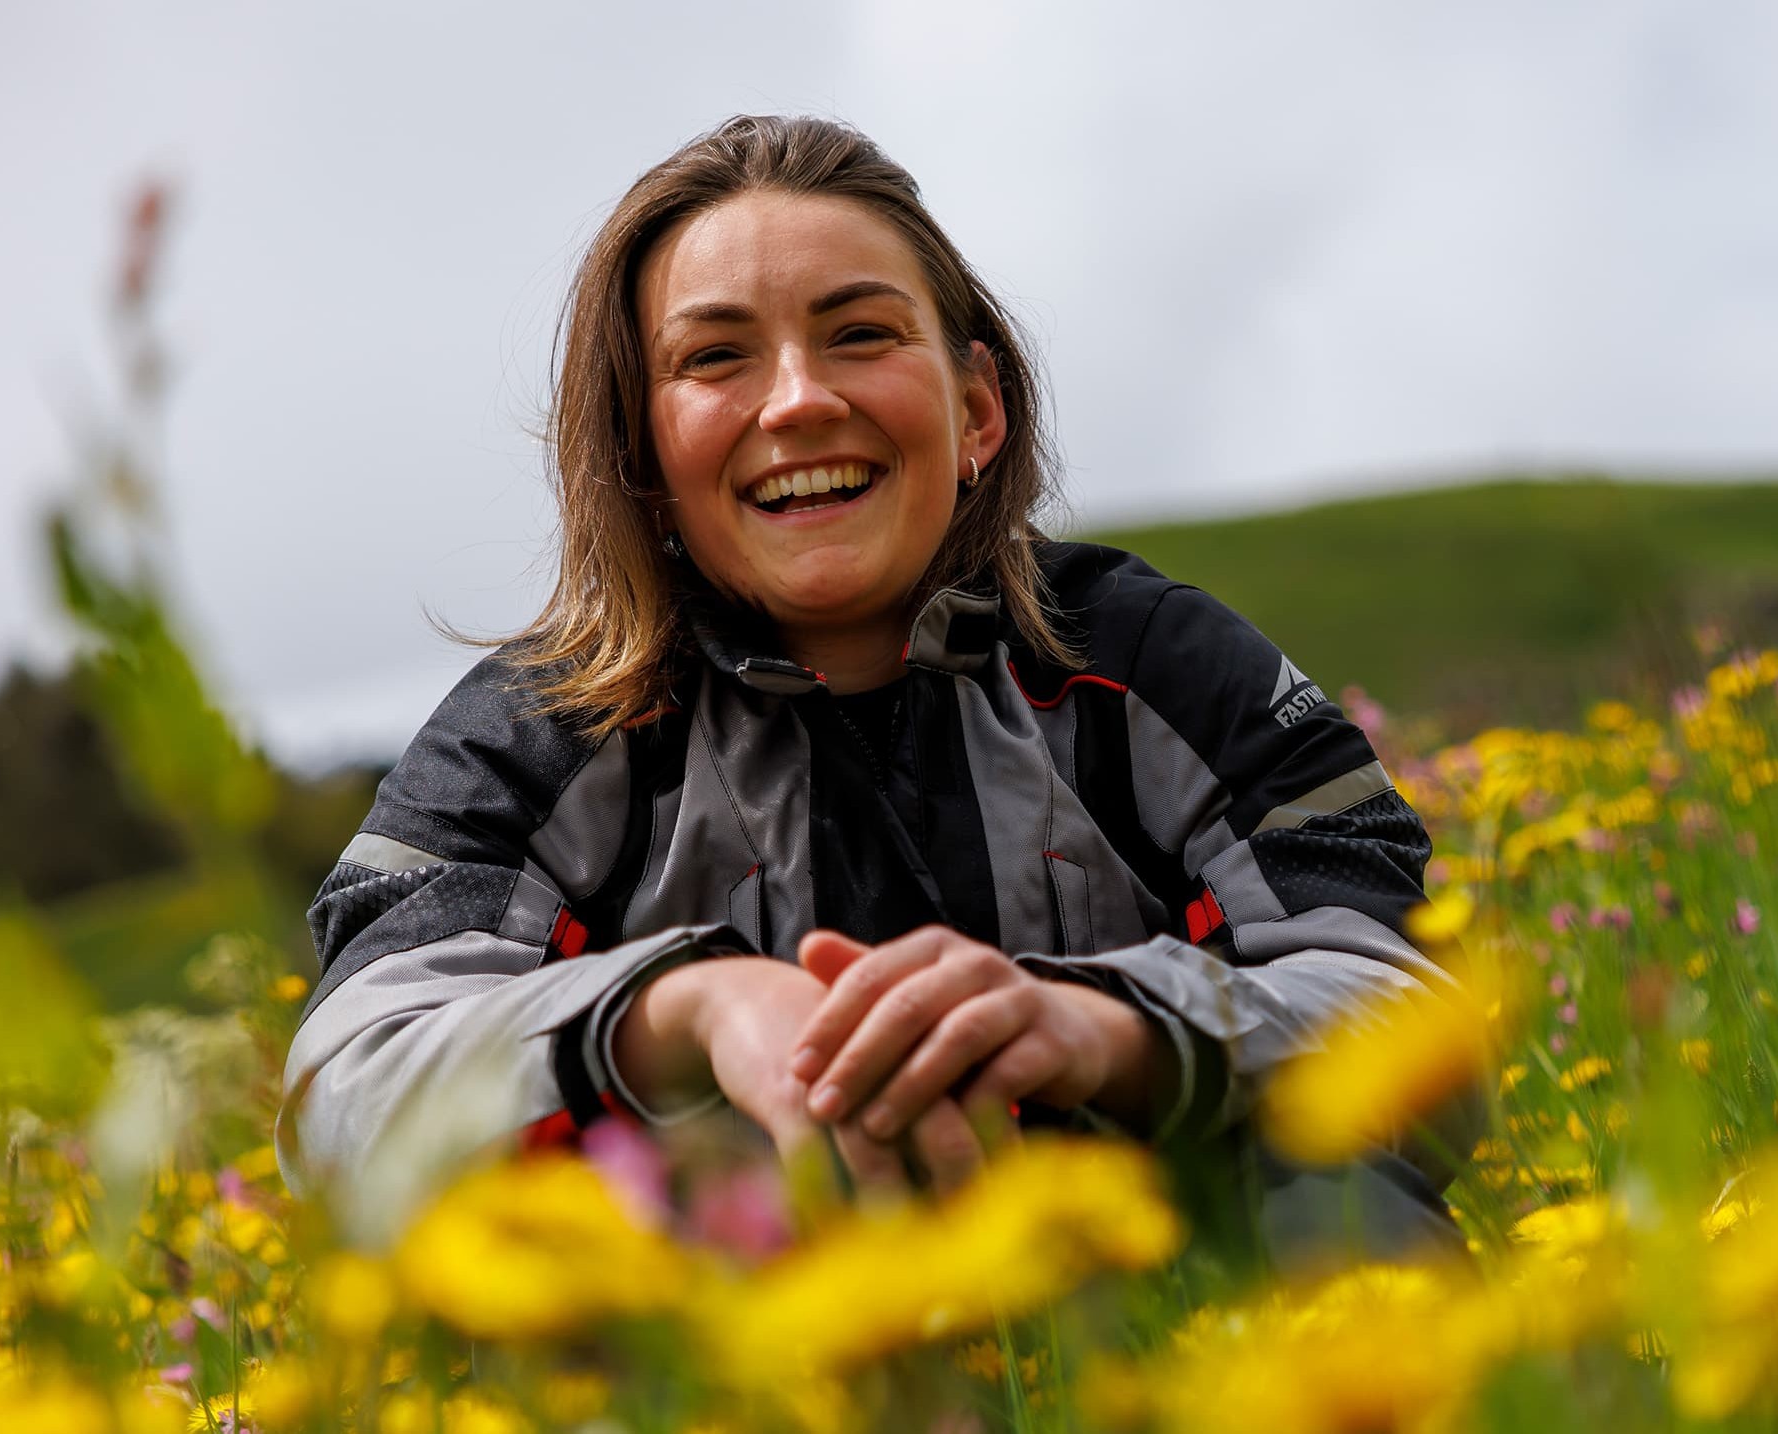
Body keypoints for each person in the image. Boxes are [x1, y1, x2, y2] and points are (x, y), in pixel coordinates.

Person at [280, 114, 1457, 1256]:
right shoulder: (530, 735)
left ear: (977, 409)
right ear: (641, 452)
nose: (797, 400)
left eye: (859, 334)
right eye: (715, 357)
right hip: (746, 1362)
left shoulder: (1158, 664)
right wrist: (687, 1012)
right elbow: (344, 1102)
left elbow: (1419, 1018)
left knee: (1341, 1191)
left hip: (1159, 1328)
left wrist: (1098, 1024)